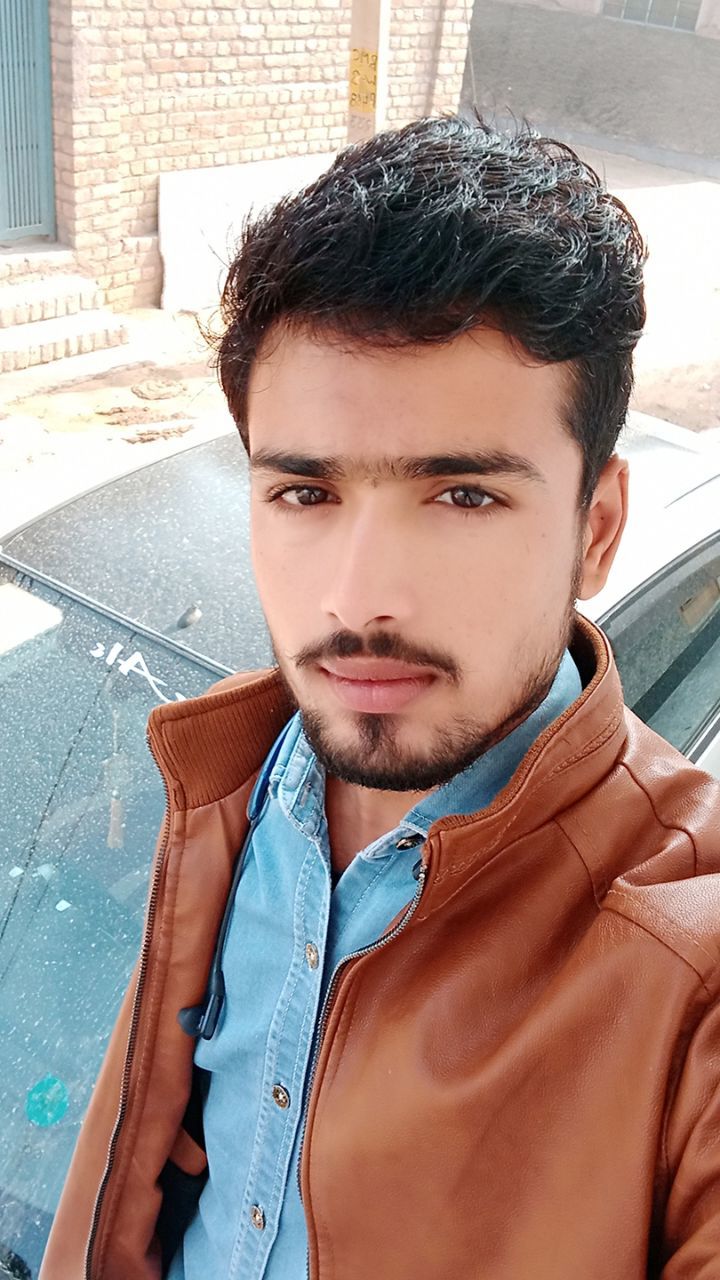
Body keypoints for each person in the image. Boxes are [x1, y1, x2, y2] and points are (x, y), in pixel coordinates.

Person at [41, 115, 720, 1280]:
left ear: (598, 529)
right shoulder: (232, 785)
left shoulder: (689, 970)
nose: (358, 597)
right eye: (305, 493)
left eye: (462, 495)